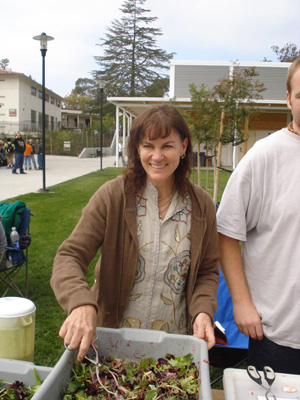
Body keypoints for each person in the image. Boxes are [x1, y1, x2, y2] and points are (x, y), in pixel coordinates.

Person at [51, 104, 219, 362]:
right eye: (148, 146)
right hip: (110, 343)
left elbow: (207, 271)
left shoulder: (202, 205)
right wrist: (80, 303)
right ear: (137, 149)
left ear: (184, 147)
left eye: (167, 146)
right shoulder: (113, 196)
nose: (157, 156)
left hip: (173, 350)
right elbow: (69, 256)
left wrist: (203, 312)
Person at [217, 57, 300, 374]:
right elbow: (227, 233)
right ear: (288, 99)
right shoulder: (264, 157)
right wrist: (240, 302)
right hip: (277, 337)